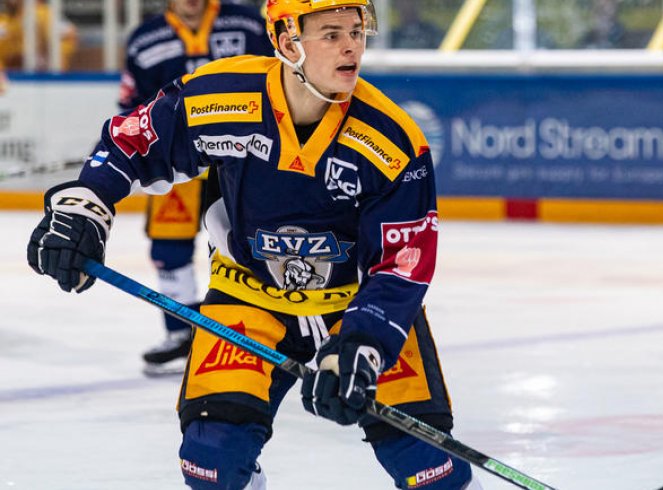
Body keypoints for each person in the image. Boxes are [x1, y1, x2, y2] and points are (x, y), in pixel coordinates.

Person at [27, 0, 481, 488]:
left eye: (356, 30)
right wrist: (85, 205)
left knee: (427, 467)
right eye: (330, 34)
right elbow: (130, 143)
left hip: (352, 307)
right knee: (212, 462)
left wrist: (363, 346)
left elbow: (402, 264)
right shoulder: (223, 96)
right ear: (288, 43)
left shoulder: (391, 140)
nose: (351, 45)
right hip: (249, 296)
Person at [119, 0, 271, 376]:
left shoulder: (249, 24)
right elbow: (132, 105)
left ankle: (267, 329)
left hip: (243, 154)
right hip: (178, 158)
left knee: (254, 241)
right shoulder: (144, 39)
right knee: (168, 243)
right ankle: (183, 331)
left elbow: (280, 80)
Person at [0, 0, 78, 71]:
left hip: (42, 78)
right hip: (10, 78)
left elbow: (69, 33)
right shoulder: (4, 20)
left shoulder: (42, 14)